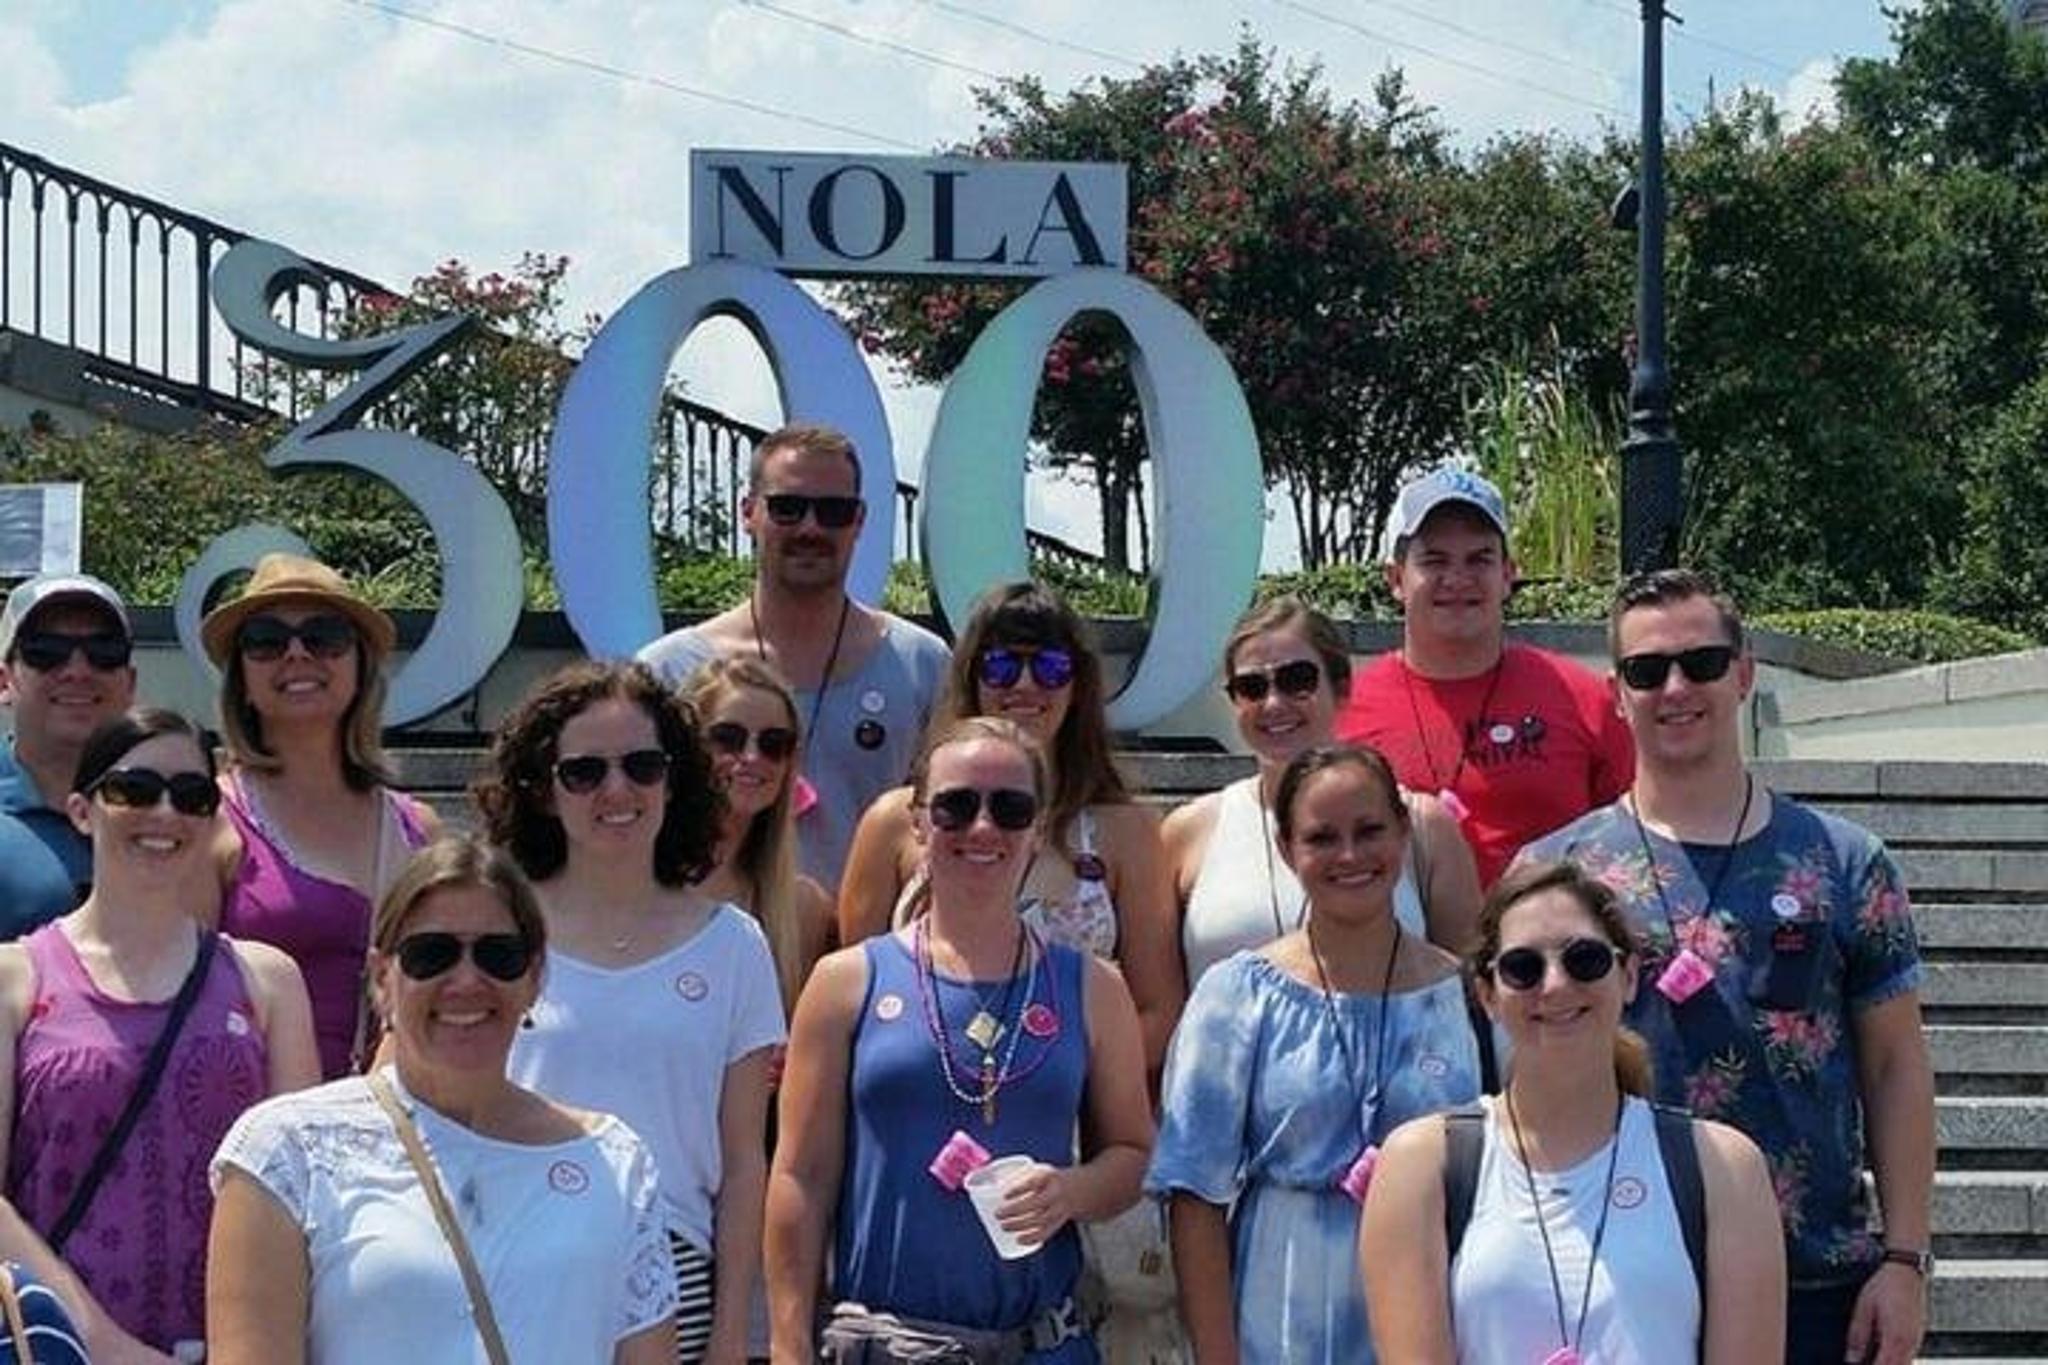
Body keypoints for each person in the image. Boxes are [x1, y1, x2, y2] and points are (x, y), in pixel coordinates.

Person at [1518, 569, 1936, 1365]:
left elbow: (1895, 1065)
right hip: (1622, 1271)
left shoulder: (1845, 862)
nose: (1676, 686)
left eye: (1701, 662)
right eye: (1647, 670)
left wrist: (1905, 1259)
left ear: (1743, 674)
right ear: (1616, 692)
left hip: (1813, 1279)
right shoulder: (1557, 872)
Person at [767, 717, 1153, 1365]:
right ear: (918, 821)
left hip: (1041, 1341)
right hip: (888, 1340)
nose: (982, 827)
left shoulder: (1092, 986)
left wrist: (1072, 1190)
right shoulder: (845, 982)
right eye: (956, 805)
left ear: (1037, 826)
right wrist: (787, 1343)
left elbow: (1132, 1153)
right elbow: (800, 1176)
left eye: (1009, 808)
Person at [207, 835, 677, 1364]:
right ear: (383, 978)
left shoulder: (617, 1163)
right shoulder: (284, 1153)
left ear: (535, 977)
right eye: (432, 955)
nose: (466, 980)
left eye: (499, 955)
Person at [478, 662, 784, 1365]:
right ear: (545, 790)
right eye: (585, 771)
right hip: (513, 1260)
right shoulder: (497, 929)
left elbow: (743, 1161)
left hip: (677, 1275)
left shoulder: (734, 943)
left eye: (642, 765)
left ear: (673, 779)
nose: (617, 790)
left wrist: (732, 1333)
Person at [1361, 859, 1785, 1363]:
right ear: (1487, 995)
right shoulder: (1421, 1163)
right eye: (1523, 968)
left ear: (1627, 975)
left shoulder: (1724, 1167)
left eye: (1584, 959)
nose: (1556, 985)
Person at [1148, 744, 1481, 1365]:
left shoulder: (1469, 998)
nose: (1349, 856)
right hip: (1282, 1316)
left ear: (1404, 834)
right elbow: (1195, 1196)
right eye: (1322, 837)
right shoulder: (1237, 995)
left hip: (1438, 1311)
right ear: (1286, 849)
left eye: (1370, 830)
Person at [0, 708, 318, 1359]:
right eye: (135, 790)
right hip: (60, 1350)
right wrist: (104, 1344)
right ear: (82, 810)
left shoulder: (268, 981)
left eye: (191, 794)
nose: (164, 812)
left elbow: (303, 1194)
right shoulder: (13, 978)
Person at [839, 581, 1184, 1072]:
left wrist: (1054, 1089)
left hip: (1068, 1120)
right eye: (1001, 666)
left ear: (1078, 684)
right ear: (971, 677)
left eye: (1050, 668)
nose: (1025, 685)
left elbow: (1158, 1008)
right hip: (917, 1099)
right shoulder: (891, 822)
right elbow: (853, 995)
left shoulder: (1124, 832)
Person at [638, 423, 949, 896]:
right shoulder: (669, 671)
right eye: (787, 508)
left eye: (833, 511)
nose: (810, 527)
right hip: (713, 953)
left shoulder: (921, 666)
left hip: (871, 955)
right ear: (749, 513)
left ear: (859, 520)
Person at [1334, 468, 1632, 886]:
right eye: (1434, 560)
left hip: (1545, 947)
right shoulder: (1344, 714)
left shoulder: (1584, 698)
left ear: (1508, 574)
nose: (1457, 579)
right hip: (1400, 949)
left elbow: (1640, 839)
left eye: (1480, 559)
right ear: (1396, 579)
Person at [203, 553, 438, 1079]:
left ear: (360, 664)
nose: (296, 654)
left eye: (324, 636)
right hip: (253, 1131)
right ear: (241, 676)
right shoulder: (209, 822)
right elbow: (179, 1008)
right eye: (265, 640)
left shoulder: (418, 830)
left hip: (393, 1129)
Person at [1167, 596, 1482, 986]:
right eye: (1251, 687)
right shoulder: (1189, 832)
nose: (1273, 702)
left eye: (1297, 680)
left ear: (1342, 689)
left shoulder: (1421, 826)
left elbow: (1470, 991)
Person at [683, 657, 837, 1014]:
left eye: (774, 743)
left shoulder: (805, 909)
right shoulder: (638, 887)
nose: (752, 757)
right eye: (727, 738)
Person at [0, 574, 137, 936]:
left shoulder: (180, 808)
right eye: (47, 651)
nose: (77, 670)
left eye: (103, 651)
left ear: (130, 684)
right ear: (4, 682)